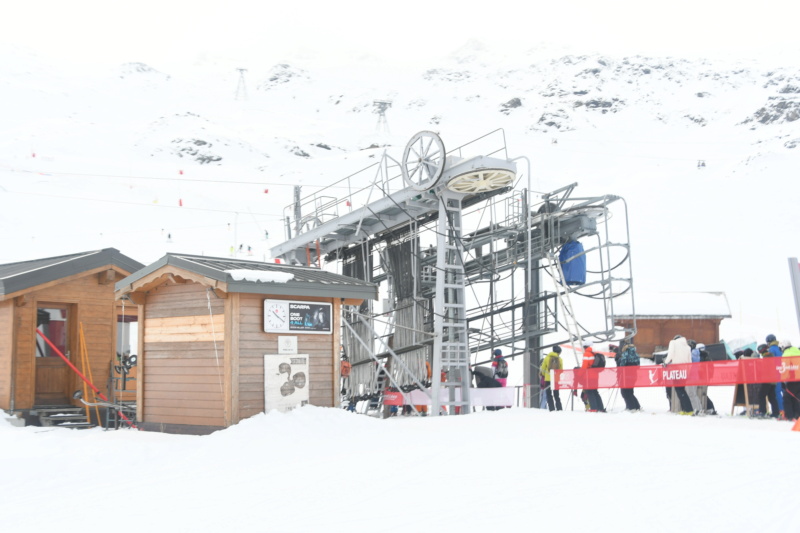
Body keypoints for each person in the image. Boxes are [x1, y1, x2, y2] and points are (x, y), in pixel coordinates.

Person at [664, 335, 694, 415]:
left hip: (676, 369)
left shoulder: (673, 343)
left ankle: (688, 409)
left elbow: (670, 354)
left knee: (679, 390)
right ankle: (685, 409)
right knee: (681, 389)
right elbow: (690, 361)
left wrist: (665, 363)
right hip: (684, 370)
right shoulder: (687, 347)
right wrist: (688, 372)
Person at [756, 343, 779, 418]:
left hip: (767, 380)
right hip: (773, 380)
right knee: (772, 397)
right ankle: (776, 413)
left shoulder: (766, 358)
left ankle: (762, 412)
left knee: (761, 395)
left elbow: (764, 369)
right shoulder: (771, 356)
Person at [616, 342, 641, 411]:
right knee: (630, 391)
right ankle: (636, 406)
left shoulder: (625, 354)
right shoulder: (636, 355)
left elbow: (622, 366)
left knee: (624, 392)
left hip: (625, 376)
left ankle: (631, 407)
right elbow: (638, 366)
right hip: (633, 375)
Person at [779, 340, 800, 421]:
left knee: (787, 397)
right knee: (797, 397)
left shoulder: (787, 353)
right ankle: (797, 415)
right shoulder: (797, 351)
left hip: (793, 378)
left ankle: (789, 416)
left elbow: (785, 368)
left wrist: (783, 379)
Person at [581, 341, 605, 412]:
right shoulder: (594, 353)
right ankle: (600, 407)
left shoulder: (586, 354)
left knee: (589, 392)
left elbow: (584, 366)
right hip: (595, 375)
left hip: (588, 376)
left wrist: (579, 374)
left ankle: (594, 408)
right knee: (595, 391)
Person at [766, 334, 786, 419]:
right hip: (782, 371)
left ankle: (781, 411)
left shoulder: (771, 350)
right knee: (784, 392)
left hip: (775, 373)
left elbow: (770, 363)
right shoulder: (778, 349)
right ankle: (786, 409)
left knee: (777, 393)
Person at [540, 345, 563, 411]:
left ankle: (551, 408)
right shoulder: (560, 359)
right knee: (556, 395)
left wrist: (544, 375)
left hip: (548, 379)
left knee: (549, 394)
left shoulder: (547, 358)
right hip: (556, 379)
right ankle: (559, 408)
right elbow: (561, 370)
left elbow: (543, 368)